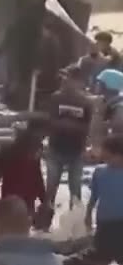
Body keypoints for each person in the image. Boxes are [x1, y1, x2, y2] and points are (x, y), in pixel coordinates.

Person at [45, 67, 93, 206]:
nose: (66, 80)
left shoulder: (85, 102)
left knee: (75, 189)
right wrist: (71, 125)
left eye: (69, 78)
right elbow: (51, 122)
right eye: (65, 77)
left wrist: (64, 124)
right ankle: (45, 220)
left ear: (78, 81)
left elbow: (86, 127)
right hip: (55, 147)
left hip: (76, 150)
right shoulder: (56, 98)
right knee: (51, 187)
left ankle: (75, 222)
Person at [86, 136, 123, 265]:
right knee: (102, 254)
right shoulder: (99, 172)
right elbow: (94, 196)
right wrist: (88, 213)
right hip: (104, 219)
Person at [0, 125, 47, 219]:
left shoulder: (7, 152)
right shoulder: (11, 155)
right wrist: (43, 200)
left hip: (15, 200)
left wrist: (44, 202)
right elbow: (38, 179)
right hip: (20, 201)